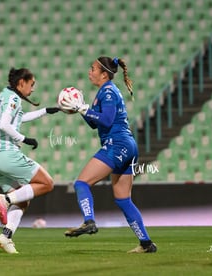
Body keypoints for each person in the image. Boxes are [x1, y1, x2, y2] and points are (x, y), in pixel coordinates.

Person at [60, 56, 157, 253]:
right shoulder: (104, 92)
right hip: (128, 146)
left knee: (81, 183)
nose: (90, 71)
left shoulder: (109, 91)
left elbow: (106, 120)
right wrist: (81, 108)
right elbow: (94, 123)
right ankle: (146, 244)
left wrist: (84, 108)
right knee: (123, 199)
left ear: (104, 74)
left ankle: (89, 221)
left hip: (117, 144)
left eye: (93, 68)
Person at [0, 67, 60, 254]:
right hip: (7, 153)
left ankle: (6, 236)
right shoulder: (14, 98)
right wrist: (24, 139)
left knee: (23, 199)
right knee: (47, 183)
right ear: (21, 83)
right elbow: (4, 125)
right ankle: (6, 199)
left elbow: (17, 119)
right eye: (31, 84)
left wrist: (45, 111)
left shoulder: (5, 95)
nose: (33, 88)